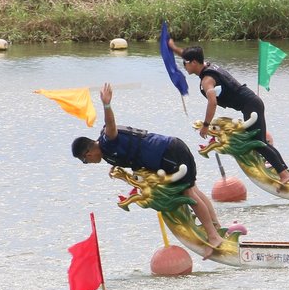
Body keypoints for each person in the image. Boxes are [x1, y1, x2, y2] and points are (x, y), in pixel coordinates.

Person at [72, 84, 223, 255]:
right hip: (170, 150)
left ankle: (213, 236)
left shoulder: (107, 140)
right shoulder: (107, 152)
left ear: (88, 152)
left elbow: (111, 125)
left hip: (169, 153)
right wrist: (116, 164)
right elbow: (126, 152)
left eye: (85, 160)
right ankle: (216, 227)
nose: (88, 163)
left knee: (189, 193)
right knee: (192, 189)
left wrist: (106, 105)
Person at [167, 38, 289, 183]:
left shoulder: (207, 80)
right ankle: (283, 170)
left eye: (185, 63)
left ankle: (284, 174)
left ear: (194, 63)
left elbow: (212, 103)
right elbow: (189, 54)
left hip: (250, 105)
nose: (184, 66)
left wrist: (206, 125)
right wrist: (173, 48)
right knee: (259, 142)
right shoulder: (205, 64)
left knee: (256, 143)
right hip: (251, 103)